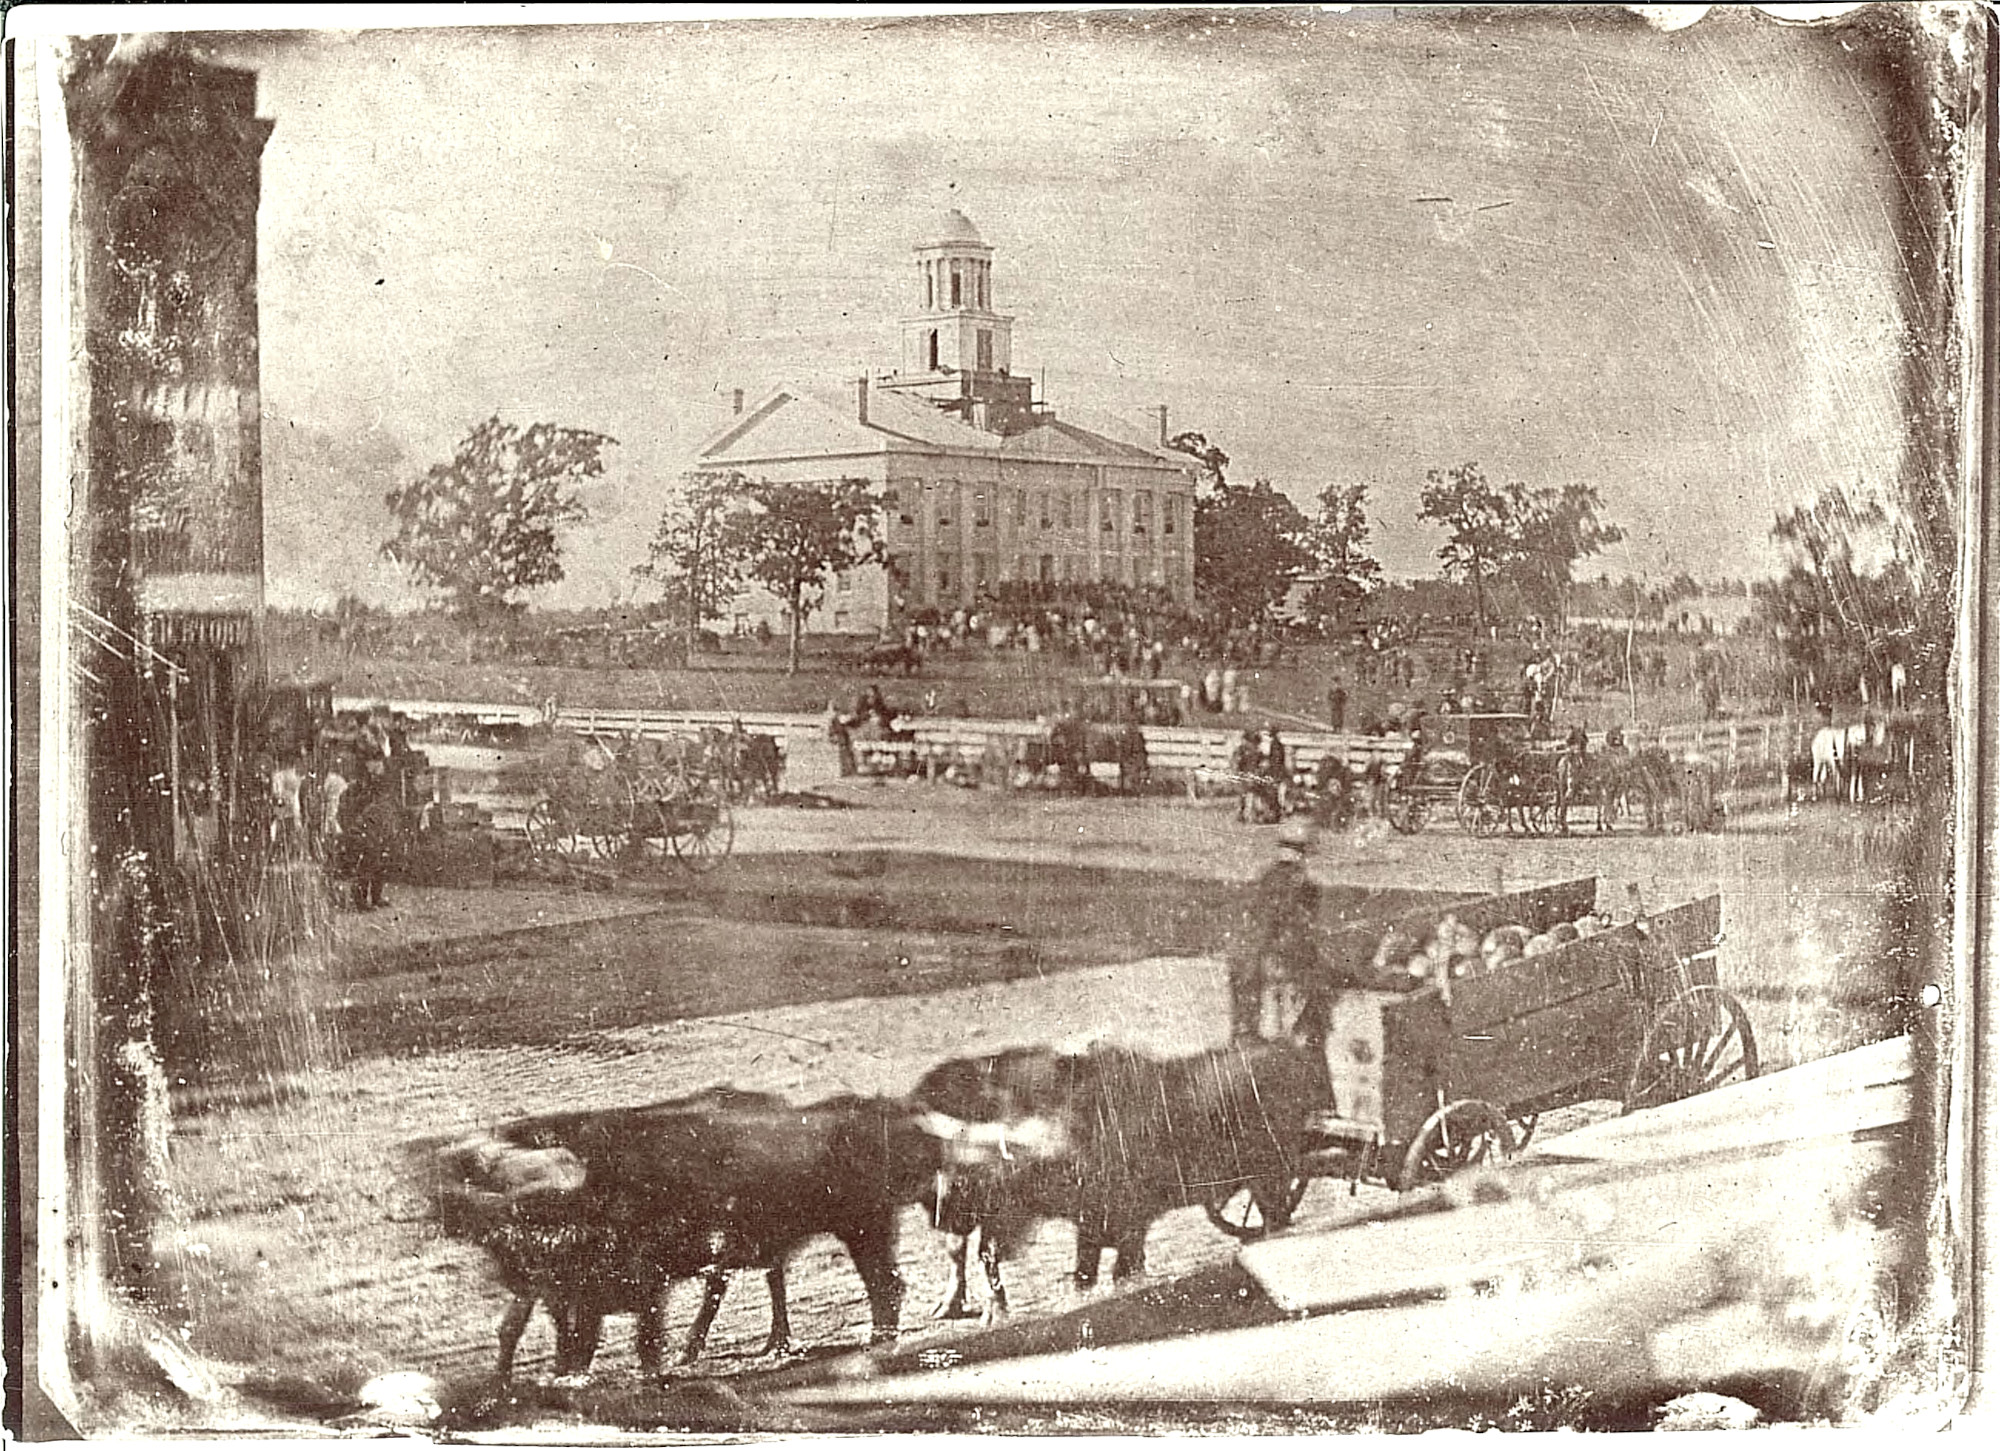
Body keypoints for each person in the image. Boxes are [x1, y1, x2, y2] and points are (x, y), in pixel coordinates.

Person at [1231, 820, 1322, 1042]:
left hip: (1275, 944)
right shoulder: (1296, 882)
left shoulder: (1274, 878)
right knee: (1281, 986)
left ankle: (1270, 1029)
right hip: (1282, 944)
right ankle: (1281, 1030)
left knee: (1273, 985)